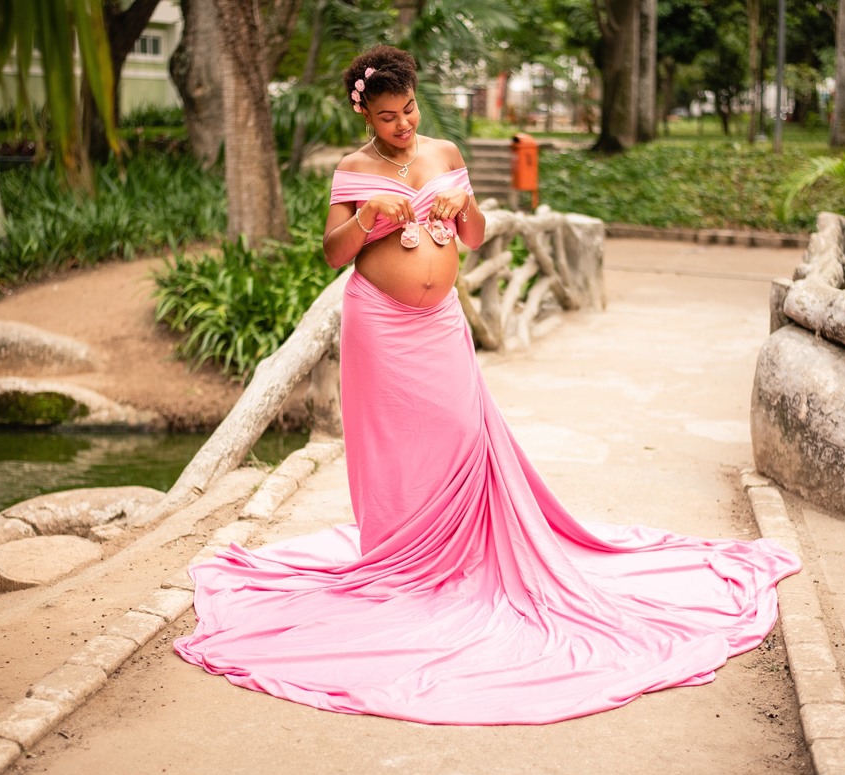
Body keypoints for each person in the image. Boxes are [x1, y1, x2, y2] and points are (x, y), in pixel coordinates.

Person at [173, 45, 801, 725]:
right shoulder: (353, 169)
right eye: (387, 116)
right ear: (365, 113)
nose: (403, 124)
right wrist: (367, 220)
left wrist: (462, 200)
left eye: (408, 108)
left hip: (438, 323)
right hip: (378, 325)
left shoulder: (443, 153)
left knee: (460, 431)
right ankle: (396, 558)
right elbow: (333, 252)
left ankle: (464, 557)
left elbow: (471, 235)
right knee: (392, 447)